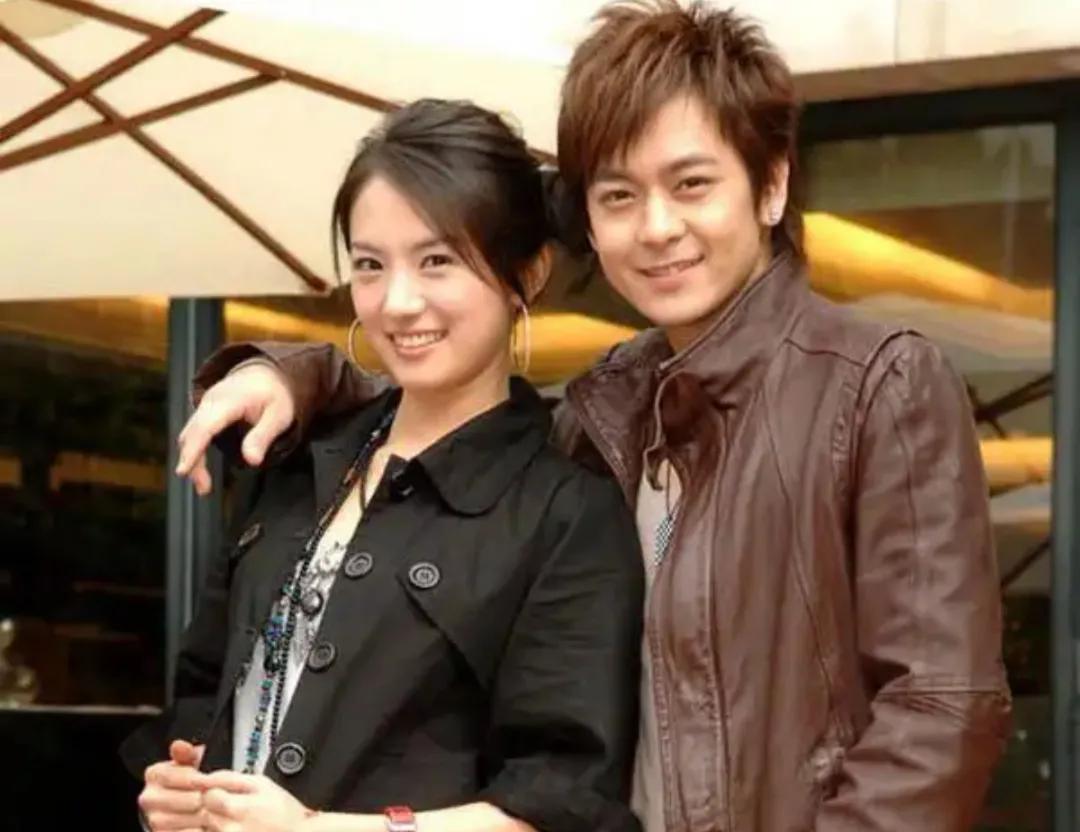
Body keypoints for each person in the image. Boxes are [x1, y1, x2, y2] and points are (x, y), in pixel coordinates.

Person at [176, 2, 1012, 829]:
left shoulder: (877, 383)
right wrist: (299, 375)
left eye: (691, 184)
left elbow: (940, 712)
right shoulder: (611, 405)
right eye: (619, 195)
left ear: (770, 185)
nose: (657, 227)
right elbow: (448, 412)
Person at [123, 98, 645, 832]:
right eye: (370, 265)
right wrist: (177, 793)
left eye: (437, 261)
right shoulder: (299, 462)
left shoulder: (566, 515)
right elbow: (203, 700)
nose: (397, 302)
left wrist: (317, 831)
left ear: (526, 274)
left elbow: (560, 800)